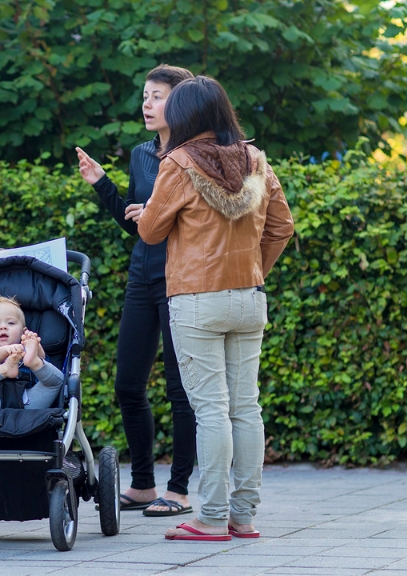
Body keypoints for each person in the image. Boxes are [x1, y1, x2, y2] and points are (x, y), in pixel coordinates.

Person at [137, 76, 294, 541]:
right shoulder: (257, 161)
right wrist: (252, 272)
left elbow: (149, 231)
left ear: (187, 116)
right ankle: (242, 517)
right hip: (249, 298)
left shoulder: (179, 162)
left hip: (196, 300)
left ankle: (210, 517)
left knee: (211, 411)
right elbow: (282, 227)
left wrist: (146, 209)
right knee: (246, 407)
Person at [75, 65, 197, 517]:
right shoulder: (142, 155)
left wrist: (158, 212)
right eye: (144, 95)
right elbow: (137, 226)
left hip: (180, 278)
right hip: (141, 277)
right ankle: (143, 484)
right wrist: (102, 185)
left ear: (181, 102)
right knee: (128, 383)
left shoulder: (192, 157)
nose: (146, 103)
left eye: (157, 96)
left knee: (180, 390)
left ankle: (179, 490)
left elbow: (194, 223)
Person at [0, 295, 64, 409]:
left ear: (23, 332)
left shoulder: (26, 349)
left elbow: (44, 358)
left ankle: (35, 363)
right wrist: (5, 352)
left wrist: (35, 346)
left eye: (11, 323)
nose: (3, 327)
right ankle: (4, 370)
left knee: (56, 380)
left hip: (29, 400)